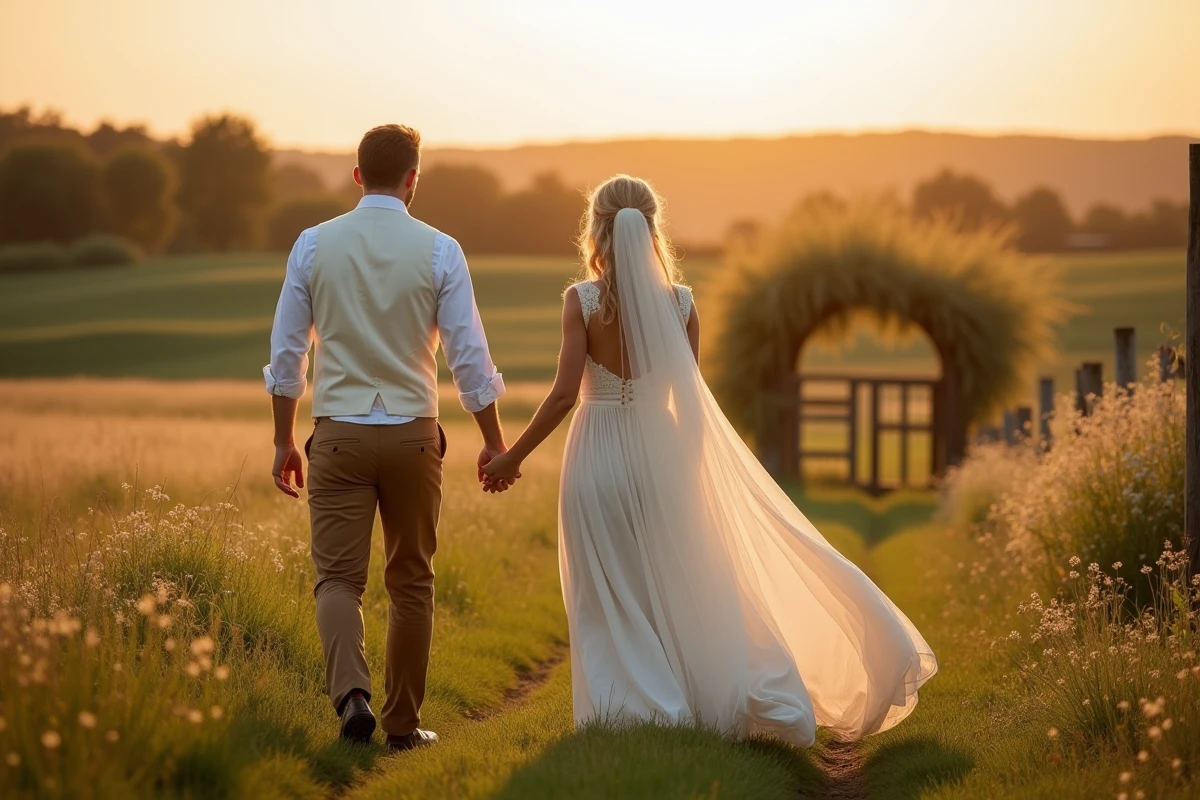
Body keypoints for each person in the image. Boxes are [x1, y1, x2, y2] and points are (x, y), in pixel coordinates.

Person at [482, 175, 936, 744]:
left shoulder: (583, 301)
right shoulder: (682, 304)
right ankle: (684, 701)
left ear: (596, 229)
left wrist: (511, 458)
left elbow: (564, 395)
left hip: (596, 456)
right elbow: (689, 400)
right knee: (669, 584)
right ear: (652, 230)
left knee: (608, 591)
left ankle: (631, 708)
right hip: (663, 453)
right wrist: (688, 470)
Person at [265, 124, 515, 751]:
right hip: (411, 438)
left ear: (356, 176)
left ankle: (352, 698)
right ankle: (403, 727)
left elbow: (288, 353)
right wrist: (493, 441)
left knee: (338, 581)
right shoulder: (440, 250)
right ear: (413, 179)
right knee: (412, 581)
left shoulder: (312, 245)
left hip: (338, 437)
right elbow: (469, 358)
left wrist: (282, 439)